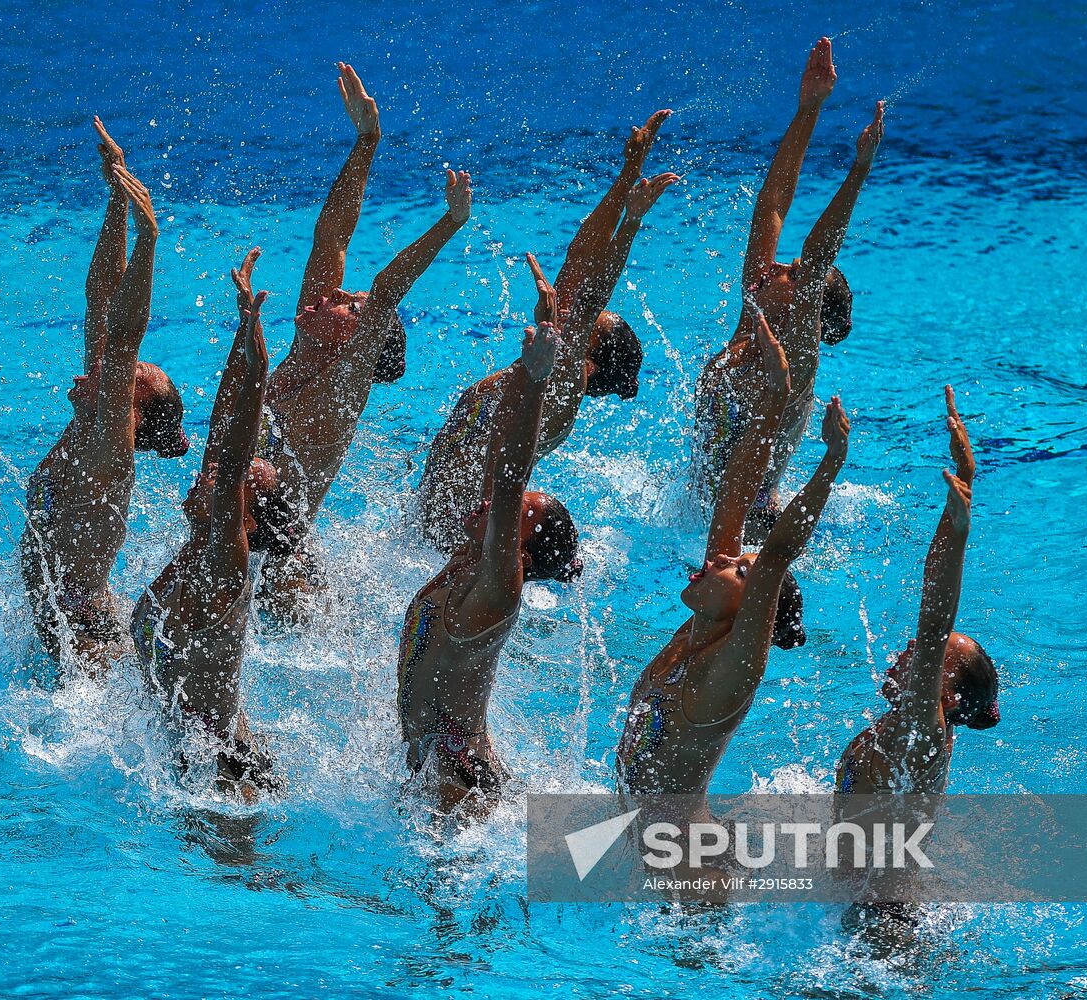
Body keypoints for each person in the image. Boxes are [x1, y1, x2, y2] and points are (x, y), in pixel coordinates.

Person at [256, 63, 471, 618]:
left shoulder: (342, 386)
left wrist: (450, 223)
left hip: (281, 572)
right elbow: (332, 232)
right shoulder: (310, 343)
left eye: (341, 303)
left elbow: (385, 289)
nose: (324, 297)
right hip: (250, 532)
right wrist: (366, 141)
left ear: (360, 335)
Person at [418, 111, 678, 552]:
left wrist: (632, 222)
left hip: (456, 546)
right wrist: (626, 175)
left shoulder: (560, 388)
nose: (572, 313)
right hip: (427, 533)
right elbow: (579, 262)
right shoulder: (546, 369)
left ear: (589, 363)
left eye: (584, 326)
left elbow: (593, 292)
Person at [616, 315, 850, 798]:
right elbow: (733, 494)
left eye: (740, 569)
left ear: (755, 609)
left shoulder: (729, 669)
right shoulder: (700, 627)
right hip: (631, 841)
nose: (722, 560)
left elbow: (780, 552)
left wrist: (829, 465)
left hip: (680, 864)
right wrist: (773, 400)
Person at [694, 37, 883, 541]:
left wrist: (858, 172)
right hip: (700, 515)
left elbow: (819, 257)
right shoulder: (757, 308)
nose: (776, 265)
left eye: (793, 271)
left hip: (751, 533)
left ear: (809, 303)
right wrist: (808, 110)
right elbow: (773, 202)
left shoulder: (795, 359)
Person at [20, 119, 187, 670]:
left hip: (83, 633)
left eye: (128, 371)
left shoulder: (109, 447)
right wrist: (116, 195)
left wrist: (149, 240)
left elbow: (126, 329)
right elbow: (102, 296)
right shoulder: (94, 421)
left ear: (131, 401)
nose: (112, 366)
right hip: (69, 620)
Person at [396, 313, 576, 817]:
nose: (496, 505)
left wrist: (538, 383)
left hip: (461, 786)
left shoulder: (499, 588)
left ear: (520, 554)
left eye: (515, 513)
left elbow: (511, 475)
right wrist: (524, 368)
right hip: (443, 770)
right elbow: (500, 456)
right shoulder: (472, 558)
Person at [131, 251, 288, 802]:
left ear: (244, 518)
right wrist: (243, 333)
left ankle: (573, 852)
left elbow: (239, 438)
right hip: (196, 763)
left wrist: (260, 364)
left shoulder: (226, 561)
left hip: (227, 774)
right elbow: (225, 427)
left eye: (237, 476)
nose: (214, 469)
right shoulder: (204, 547)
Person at [835, 387, 999, 796]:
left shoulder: (922, 735)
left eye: (937, 656)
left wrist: (959, 520)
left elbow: (933, 618)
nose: (917, 646)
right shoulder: (909, 730)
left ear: (949, 696)